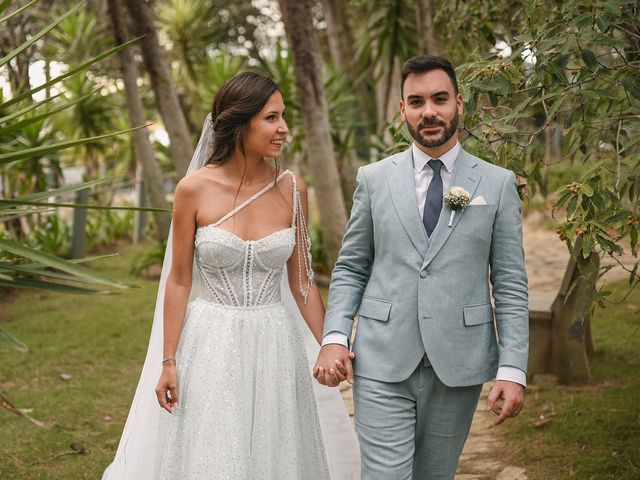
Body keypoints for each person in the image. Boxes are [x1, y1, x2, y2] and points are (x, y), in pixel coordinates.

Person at [103, 72, 360, 479]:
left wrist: (332, 344)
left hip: (275, 342)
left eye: (284, 117)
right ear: (241, 123)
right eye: (272, 118)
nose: (284, 129)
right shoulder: (193, 189)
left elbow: (302, 283)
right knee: (218, 454)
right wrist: (168, 361)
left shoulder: (293, 189)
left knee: (274, 453)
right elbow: (179, 280)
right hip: (211, 343)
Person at [314, 55, 529, 479]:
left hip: (459, 364)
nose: (428, 111)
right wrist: (335, 337)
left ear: (458, 104)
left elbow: (509, 284)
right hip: (381, 358)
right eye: (416, 102)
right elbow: (352, 267)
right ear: (403, 110)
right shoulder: (373, 179)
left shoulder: (497, 183)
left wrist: (513, 367)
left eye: (439, 99)